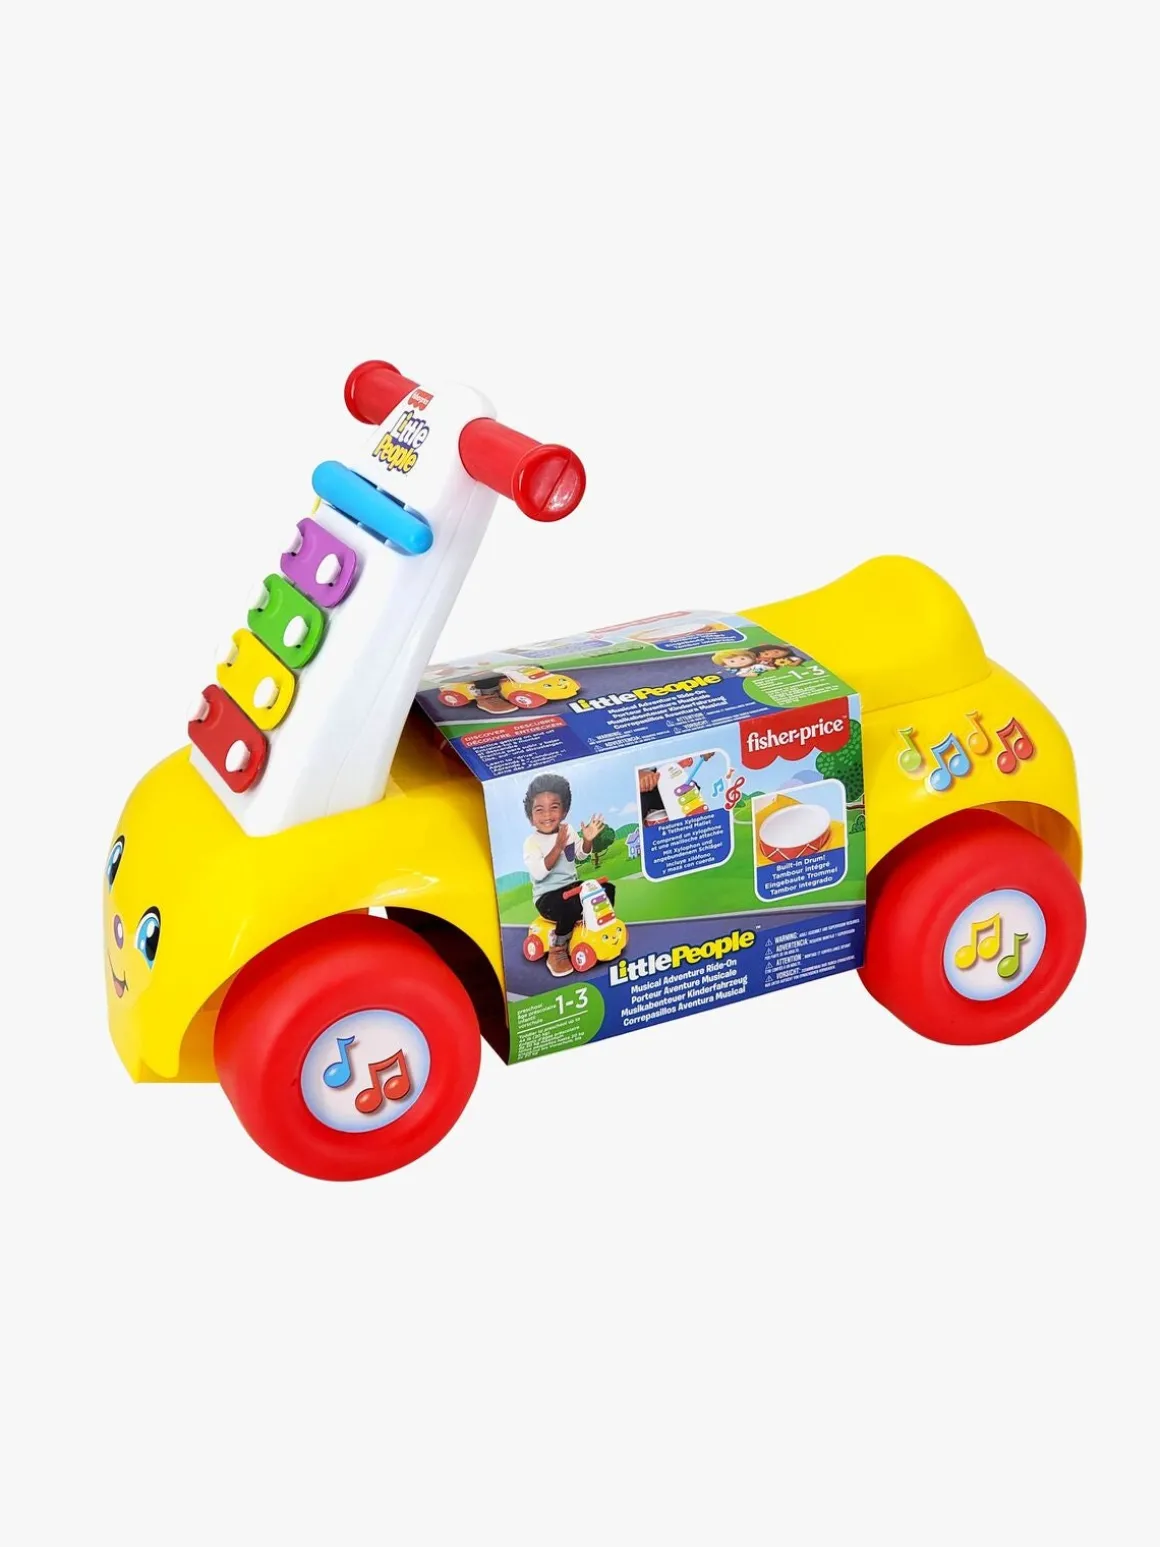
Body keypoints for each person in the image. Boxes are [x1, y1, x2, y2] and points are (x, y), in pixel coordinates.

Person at [522, 774, 610, 977]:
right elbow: (539, 873)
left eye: (554, 807)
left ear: (564, 811)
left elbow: (580, 855)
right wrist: (558, 845)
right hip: (547, 896)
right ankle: (557, 950)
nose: (547, 815)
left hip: (571, 888)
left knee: (605, 889)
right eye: (539, 809)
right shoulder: (531, 843)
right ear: (531, 817)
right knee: (570, 906)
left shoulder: (567, 829)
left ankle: (596, 928)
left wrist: (587, 840)